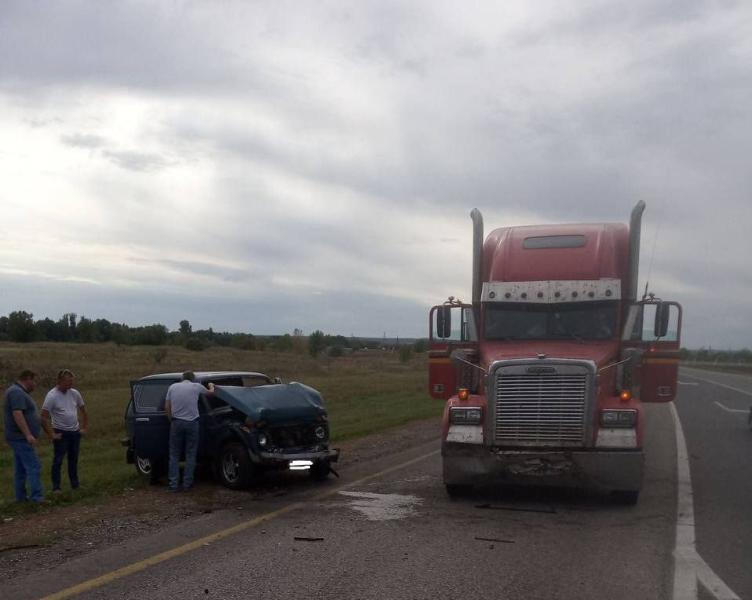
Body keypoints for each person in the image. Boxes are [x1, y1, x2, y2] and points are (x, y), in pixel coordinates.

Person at [165, 371, 214, 492]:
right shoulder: (196, 386)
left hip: (177, 422)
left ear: (182, 378)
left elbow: (167, 406)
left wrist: (171, 420)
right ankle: (187, 484)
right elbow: (210, 394)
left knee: (174, 455)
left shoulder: (172, 387)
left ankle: (173, 485)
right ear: (193, 379)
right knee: (190, 454)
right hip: (192, 423)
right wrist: (211, 385)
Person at [41, 369, 88, 492]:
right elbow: (43, 417)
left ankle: (75, 485)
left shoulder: (75, 393)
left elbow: (83, 411)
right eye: (67, 382)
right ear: (60, 381)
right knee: (58, 460)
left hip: (75, 432)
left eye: (71, 382)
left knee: (73, 460)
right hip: (61, 432)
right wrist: (51, 434)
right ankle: (56, 487)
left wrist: (84, 428)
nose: (70, 385)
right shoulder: (52, 396)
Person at [3, 369, 44, 502]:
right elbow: (17, 414)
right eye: (34, 381)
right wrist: (28, 434)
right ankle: (37, 498)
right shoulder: (16, 392)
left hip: (18, 437)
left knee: (20, 468)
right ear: (27, 378)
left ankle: (20, 497)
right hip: (20, 437)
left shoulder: (18, 392)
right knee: (34, 466)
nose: (35, 384)